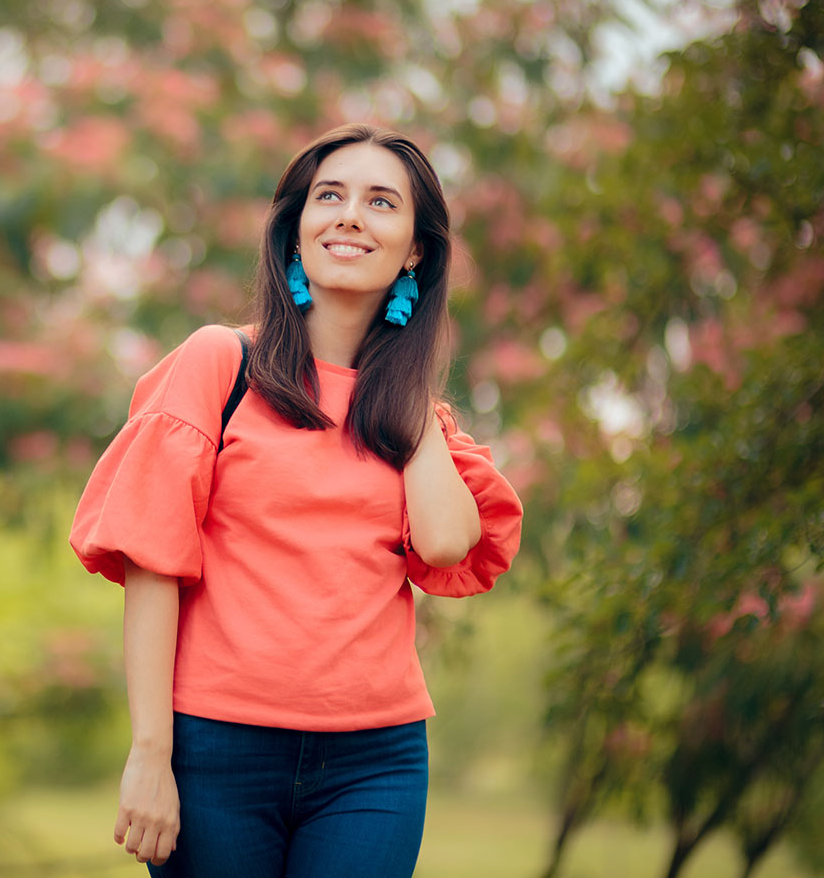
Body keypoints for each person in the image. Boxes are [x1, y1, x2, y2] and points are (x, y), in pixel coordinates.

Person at [69, 123, 524, 878]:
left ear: (415, 249)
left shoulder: (416, 417)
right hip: (216, 752)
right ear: (298, 227)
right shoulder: (223, 363)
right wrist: (151, 754)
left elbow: (446, 544)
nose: (349, 215)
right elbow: (152, 563)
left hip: (374, 762)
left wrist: (401, 389)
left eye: (381, 202)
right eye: (330, 196)